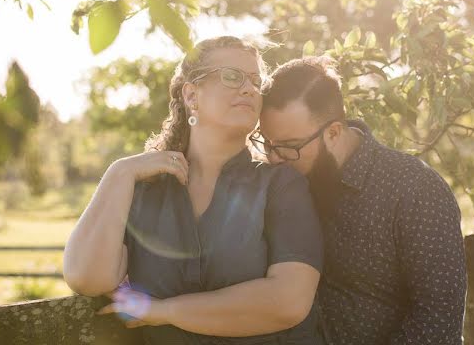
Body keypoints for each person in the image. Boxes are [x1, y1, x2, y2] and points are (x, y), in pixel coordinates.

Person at [63, 36, 325, 345]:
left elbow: (288, 302)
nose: (249, 88)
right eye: (232, 76)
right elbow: (87, 278)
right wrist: (119, 172)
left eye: (256, 81)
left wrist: (165, 311)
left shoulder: (280, 185)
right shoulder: (144, 188)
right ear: (191, 94)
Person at [256, 56, 468, 345]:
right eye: (267, 143)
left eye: (289, 147)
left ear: (333, 132)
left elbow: (438, 321)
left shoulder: (415, 190)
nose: (274, 158)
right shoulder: (285, 180)